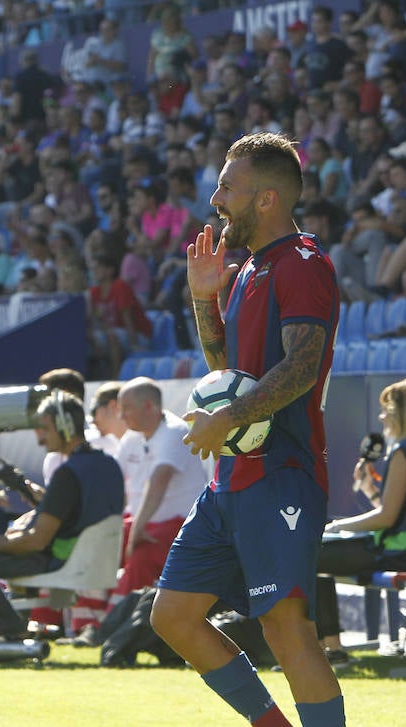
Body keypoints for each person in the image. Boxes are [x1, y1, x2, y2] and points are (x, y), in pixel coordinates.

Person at [150, 132, 344, 727]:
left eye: (228, 186)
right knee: (173, 615)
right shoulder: (248, 271)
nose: (217, 198)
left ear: (266, 199)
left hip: (283, 473)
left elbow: (302, 368)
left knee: (287, 628)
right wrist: (205, 300)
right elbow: (223, 373)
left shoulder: (304, 265)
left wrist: (229, 418)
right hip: (233, 477)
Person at [0, 391, 124, 640]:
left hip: (58, 558)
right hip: (87, 556)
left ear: (65, 427)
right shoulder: (107, 464)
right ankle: (20, 628)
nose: (40, 438)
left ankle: (12, 636)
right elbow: (82, 509)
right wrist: (46, 500)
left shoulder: (67, 474)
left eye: (45, 429)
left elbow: (36, 541)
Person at [318, 379, 406, 664]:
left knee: (310, 556)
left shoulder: (404, 450)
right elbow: (402, 513)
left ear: (402, 412)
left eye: (387, 410)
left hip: (403, 553)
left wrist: (335, 527)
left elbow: (387, 517)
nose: (382, 417)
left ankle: (332, 650)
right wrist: (371, 490)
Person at [109, 377, 211, 611]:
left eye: (126, 408)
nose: (121, 416)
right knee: (99, 542)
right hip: (142, 523)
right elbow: (116, 482)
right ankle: (80, 620)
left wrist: (136, 530)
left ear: (148, 406)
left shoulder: (175, 432)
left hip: (178, 527)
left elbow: (159, 480)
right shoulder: (132, 437)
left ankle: (112, 624)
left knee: (141, 557)